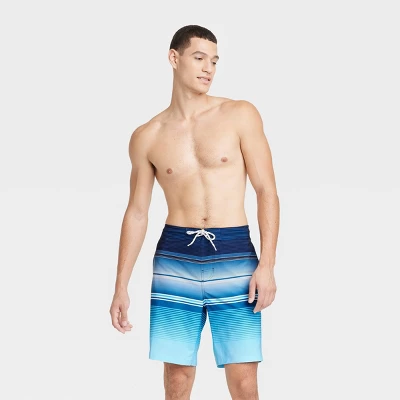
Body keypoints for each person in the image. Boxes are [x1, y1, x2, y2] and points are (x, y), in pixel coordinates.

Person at [109, 24, 279, 400]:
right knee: (178, 378)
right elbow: (137, 212)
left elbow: (266, 190)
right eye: (199, 58)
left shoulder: (240, 114)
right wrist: (121, 285)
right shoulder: (147, 135)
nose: (208, 68)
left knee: (244, 378)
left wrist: (267, 264)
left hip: (234, 251)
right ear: (174, 58)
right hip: (175, 256)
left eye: (214, 61)